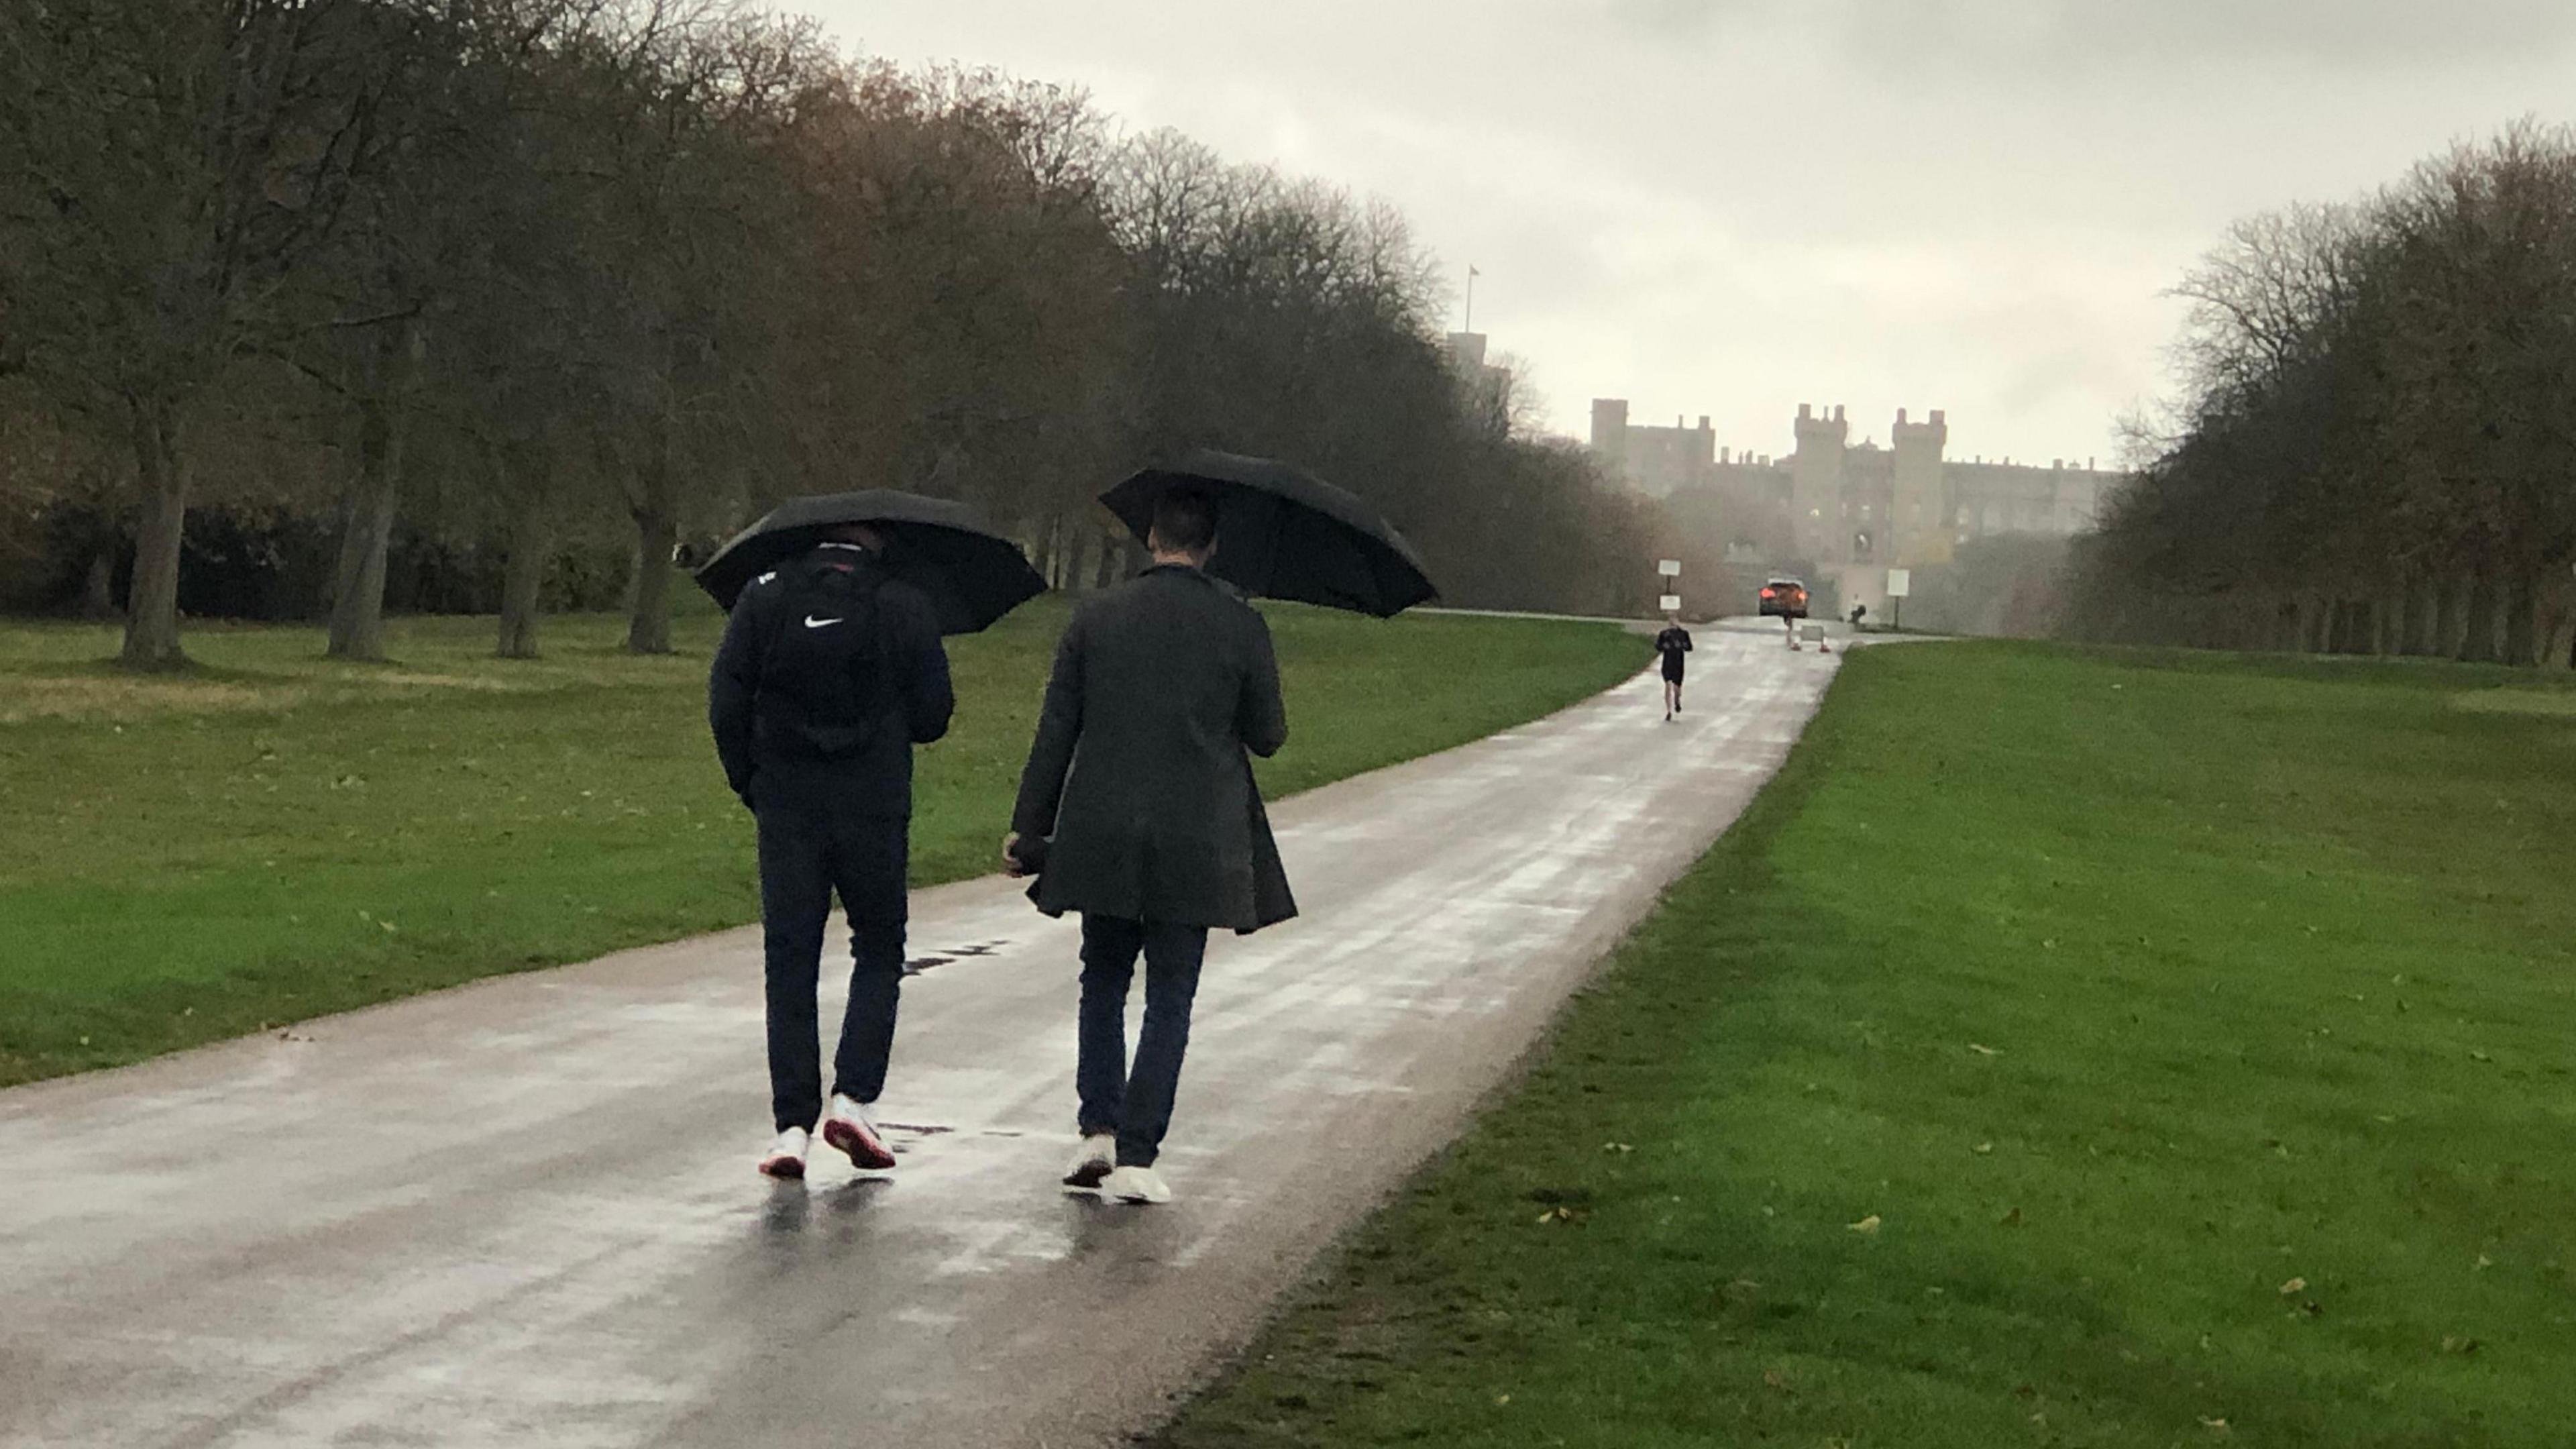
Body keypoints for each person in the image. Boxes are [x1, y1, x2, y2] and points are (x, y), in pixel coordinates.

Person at [1002, 488, 1292, 1205]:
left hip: (1101, 825)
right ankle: (1139, 1152)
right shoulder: (1239, 625)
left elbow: (1056, 731)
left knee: (1101, 980)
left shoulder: (1095, 618)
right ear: (1211, 546)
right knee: (1171, 994)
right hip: (1195, 835)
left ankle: (1095, 1129)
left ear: (1152, 539)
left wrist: (1029, 826)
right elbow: (1269, 735)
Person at [710, 524, 953, 1180]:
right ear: (878, 541)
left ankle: (790, 1126)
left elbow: (727, 696)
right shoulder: (905, 603)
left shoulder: (765, 596)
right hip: (873, 801)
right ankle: (853, 1096)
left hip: (788, 801)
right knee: (878, 947)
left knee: (790, 956)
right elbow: (934, 717)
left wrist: (751, 781)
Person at [1654, 613, 1692, 721]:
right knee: (1668, 685)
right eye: (1671, 621)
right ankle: (1669, 711)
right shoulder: (1664, 634)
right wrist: (1663, 646)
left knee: (1677, 688)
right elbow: (1658, 646)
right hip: (1667, 663)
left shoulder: (1684, 634)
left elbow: (1689, 647)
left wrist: (1683, 645)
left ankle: (1677, 701)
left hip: (1678, 663)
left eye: (1674, 621)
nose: (1672, 623)